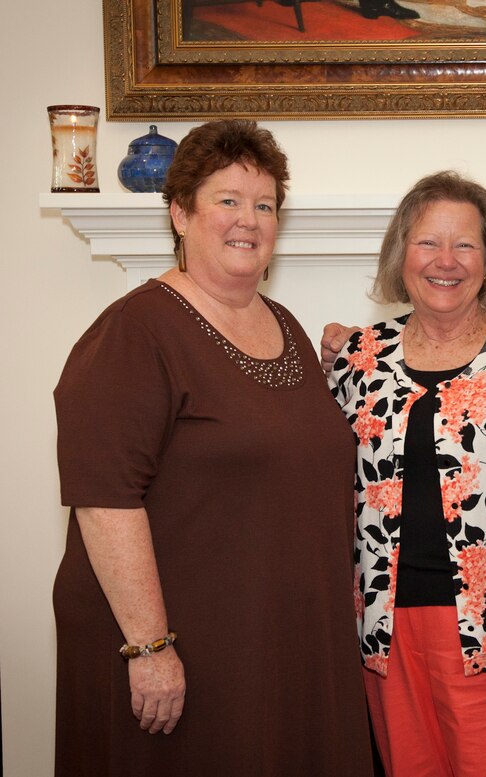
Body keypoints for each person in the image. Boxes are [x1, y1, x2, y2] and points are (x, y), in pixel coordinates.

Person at [52, 119, 372, 777]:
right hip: (183, 653)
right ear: (179, 212)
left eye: (264, 205)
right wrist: (149, 648)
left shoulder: (283, 325)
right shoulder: (134, 332)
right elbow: (103, 497)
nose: (247, 220)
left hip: (278, 644)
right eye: (227, 200)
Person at [327, 171, 486, 777]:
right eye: (427, 243)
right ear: (400, 255)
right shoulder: (359, 359)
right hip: (383, 631)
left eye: (465, 245)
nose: (446, 261)